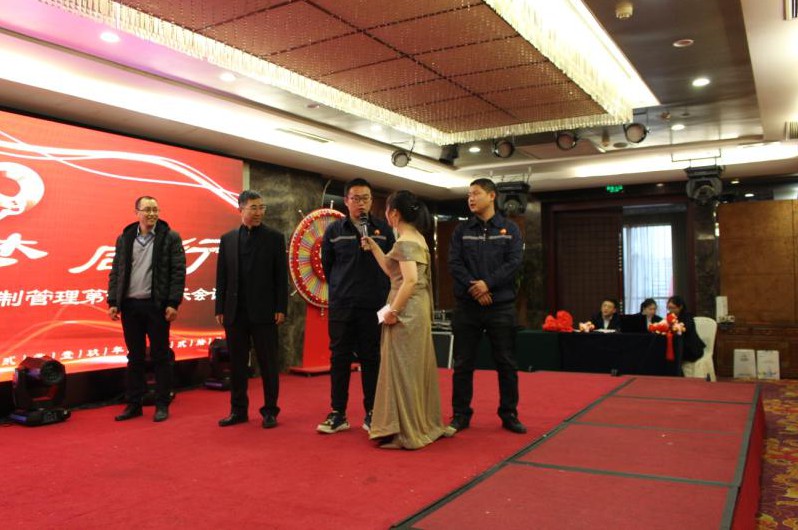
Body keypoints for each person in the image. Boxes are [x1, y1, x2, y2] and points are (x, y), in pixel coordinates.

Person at [361, 190, 447, 449]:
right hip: (414, 306)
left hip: (406, 309)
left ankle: (407, 429)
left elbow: (409, 281)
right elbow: (394, 273)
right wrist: (375, 247)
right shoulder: (416, 238)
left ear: (394, 213)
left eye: (387, 210)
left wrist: (393, 311)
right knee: (412, 366)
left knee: (403, 368)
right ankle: (419, 422)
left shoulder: (406, 241)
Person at [448, 178, 526, 435]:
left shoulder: (510, 229)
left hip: (500, 306)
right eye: (468, 194)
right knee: (462, 364)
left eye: (476, 193)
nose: (471, 198)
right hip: (467, 305)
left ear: (492, 196)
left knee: (506, 362)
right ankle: (460, 414)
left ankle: (509, 414)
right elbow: (455, 263)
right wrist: (476, 287)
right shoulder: (461, 230)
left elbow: (513, 262)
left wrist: (487, 284)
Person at [317, 178, 395, 434]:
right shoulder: (334, 231)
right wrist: (342, 287)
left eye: (365, 199)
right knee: (339, 358)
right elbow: (328, 267)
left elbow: (391, 267)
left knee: (371, 358)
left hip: (373, 305)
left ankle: (373, 411)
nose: (361, 203)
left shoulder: (383, 229)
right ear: (346, 201)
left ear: (371, 201)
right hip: (342, 304)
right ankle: (338, 413)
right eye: (356, 198)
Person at [108, 196, 186, 423]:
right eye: (147, 210)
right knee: (135, 357)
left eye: (155, 209)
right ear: (137, 212)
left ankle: (162, 404)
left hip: (157, 306)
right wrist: (113, 301)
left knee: (161, 356)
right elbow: (116, 271)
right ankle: (134, 404)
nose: (152, 214)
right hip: (130, 305)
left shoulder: (170, 237)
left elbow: (178, 271)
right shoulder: (125, 238)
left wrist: (173, 302)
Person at [215, 190, 288, 428]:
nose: (258, 212)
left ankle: (270, 410)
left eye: (261, 207)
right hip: (235, 311)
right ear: (240, 209)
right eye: (253, 208)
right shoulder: (228, 239)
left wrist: (281, 307)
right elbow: (222, 276)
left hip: (265, 311)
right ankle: (238, 410)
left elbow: (281, 277)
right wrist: (220, 307)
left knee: (268, 364)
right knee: (237, 365)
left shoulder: (274, 238)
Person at [666, 295, 706, 364]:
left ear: (680, 307)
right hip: (678, 345)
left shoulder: (687, 316)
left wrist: (674, 327)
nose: (671, 310)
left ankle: (677, 370)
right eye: (669, 308)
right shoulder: (669, 316)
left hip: (691, 348)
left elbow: (685, 329)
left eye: (673, 308)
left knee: (675, 352)